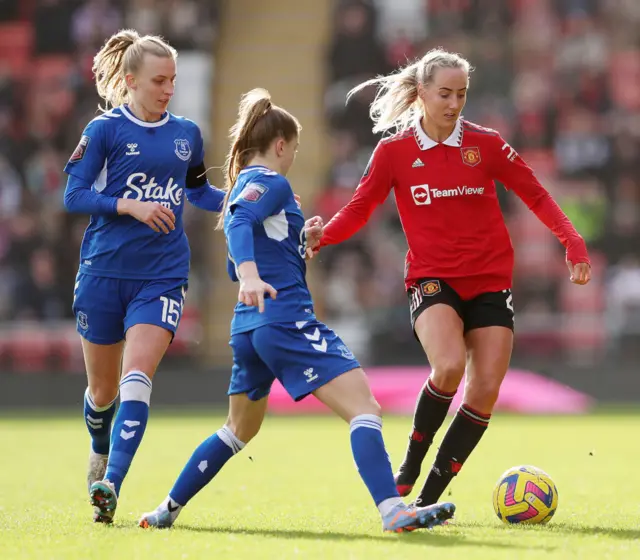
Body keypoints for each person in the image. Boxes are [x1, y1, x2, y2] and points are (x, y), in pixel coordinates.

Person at [137, 88, 455, 532]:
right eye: (295, 149)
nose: (293, 159)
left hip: (248, 329)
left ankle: (165, 510)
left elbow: (238, 231)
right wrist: (250, 275)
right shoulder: (269, 181)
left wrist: (293, 241)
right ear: (281, 144)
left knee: (237, 430)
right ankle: (392, 509)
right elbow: (240, 223)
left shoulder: (242, 186)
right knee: (364, 409)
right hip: (284, 319)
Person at [313, 48, 591, 508]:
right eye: (444, 93)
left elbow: (535, 194)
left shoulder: (485, 144)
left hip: (490, 278)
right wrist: (325, 235)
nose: (453, 103)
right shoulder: (394, 152)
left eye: (461, 94)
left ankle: (428, 500)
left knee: (484, 392)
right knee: (448, 366)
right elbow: (361, 207)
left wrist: (572, 241)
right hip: (433, 277)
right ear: (421, 92)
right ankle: (410, 461)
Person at [63, 29, 225, 523]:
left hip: (162, 275)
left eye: (173, 80)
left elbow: (197, 193)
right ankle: (99, 446)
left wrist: (249, 201)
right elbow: (73, 196)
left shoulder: (186, 135)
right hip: (104, 274)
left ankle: (111, 484)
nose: (167, 89)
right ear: (130, 81)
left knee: (138, 377)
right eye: (158, 80)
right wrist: (128, 204)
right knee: (103, 393)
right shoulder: (104, 131)